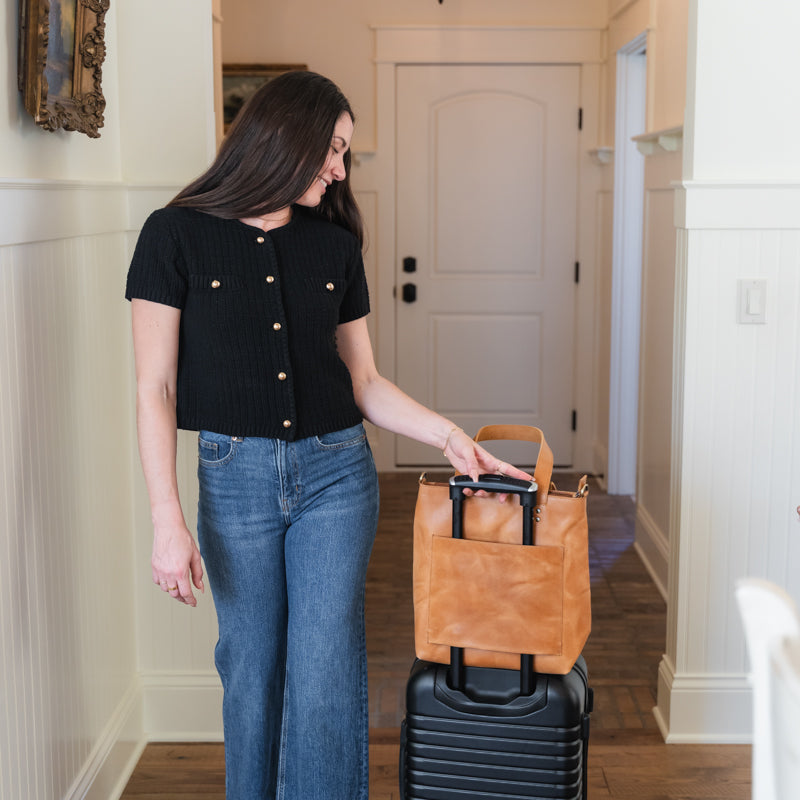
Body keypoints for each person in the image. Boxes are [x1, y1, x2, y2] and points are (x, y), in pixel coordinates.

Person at [125, 70, 530, 800]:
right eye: (333, 150)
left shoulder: (333, 246)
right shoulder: (173, 235)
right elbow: (153, 387)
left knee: (324, 671)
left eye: (344, 152)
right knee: (250, 663)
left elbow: (366, 383)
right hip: (235, 477)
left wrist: (451, 440)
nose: (340, 168)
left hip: (338, 475)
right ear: (285, 139)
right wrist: (166, 521)